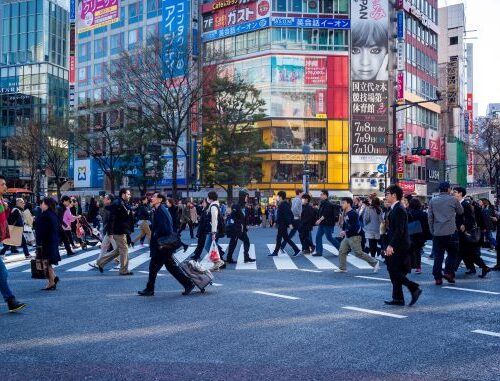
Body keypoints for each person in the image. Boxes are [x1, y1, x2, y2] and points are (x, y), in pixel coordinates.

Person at [138, 193, 195, 297]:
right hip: (163, 245)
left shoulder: (162, 211)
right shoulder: (159, 209)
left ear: (159, 199)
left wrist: (155, 234)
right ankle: (188, 283)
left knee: (153, 267)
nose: (152, 199)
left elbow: (166, 228)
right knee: (171, 267)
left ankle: (149, 289)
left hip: (162, 246)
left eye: (154, 197)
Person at [383, 185, 422, 306]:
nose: (386, 196)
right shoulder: (395, 208)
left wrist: (391, 246)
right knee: (394, 271)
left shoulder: (399, 209)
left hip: (399, 245)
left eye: (387, 194)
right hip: (396, 244)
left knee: (394, 270)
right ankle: (398, 298)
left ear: (394, 195)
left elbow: (399, 230)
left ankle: (413, 287)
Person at [428, 181, 463, 285]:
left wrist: (432, 230)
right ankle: (448, 273)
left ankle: (437, 278)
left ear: (439, 189)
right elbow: (461, 211)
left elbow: (430, 218)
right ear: (448, 189)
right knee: (452, 254)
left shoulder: (432, 201)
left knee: (438, 256)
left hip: (438, 232)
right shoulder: (453, 199)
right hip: (451, 231)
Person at [0, 176, 26, 312]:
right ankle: (10, 300)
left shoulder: (2, 201)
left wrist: (5, 208)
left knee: (2, 273)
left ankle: (10, 300)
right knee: (2, 273)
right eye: (3, 184)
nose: (5, 186)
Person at [453, 187, 490, 278]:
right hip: (461, 232)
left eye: (455, 192)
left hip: (465, 232)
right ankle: (483, 267)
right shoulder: (459, 203)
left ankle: (450, 271)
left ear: (460, 193)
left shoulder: (465, 204)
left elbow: (470, 218)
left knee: (464, 252)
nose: (453, 193)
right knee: (468, 253)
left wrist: (464, 225)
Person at [336, 197, 380, 273]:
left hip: (355, 236)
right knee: (342, 251)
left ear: (348, 204)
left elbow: (355, 226)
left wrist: (345, 232)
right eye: (341, 203)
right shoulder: (345, 212)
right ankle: (342, 268)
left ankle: (375, 262)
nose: (341, 204)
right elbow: (346, 224)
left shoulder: (353, 213)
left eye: (343, 203)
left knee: (358, 253)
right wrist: (343, 230)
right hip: (348, 236)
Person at [96, 188, 134, 276]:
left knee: (118, 250)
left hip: (122, 230)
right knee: (124, 249)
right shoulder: (118, 203)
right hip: (118, 231)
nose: (129, 196)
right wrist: (110, 233)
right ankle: (123, 270)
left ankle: (100, 262)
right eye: (128, 194)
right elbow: (111, 219)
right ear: (123, 194)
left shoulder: (123, 203)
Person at [35, 197, 61, 291]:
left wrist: (38, 243)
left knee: (46, 261)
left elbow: (41, 231)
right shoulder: (53, 214)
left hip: (45, 242)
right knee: (48, 262)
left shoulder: (44, 215)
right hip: (53, 241)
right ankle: (53, 278)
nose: (41, 204)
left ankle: (51, 282)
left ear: (46, 204)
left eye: (42, 203)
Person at [225, 190, 255, 265]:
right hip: (236, 229)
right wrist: (239, 224)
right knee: (233, 243)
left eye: (247, 197)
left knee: (246, 241)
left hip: (241, 230)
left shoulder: (245, 207)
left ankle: (246, 257)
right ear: (242, 197)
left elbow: (245, 218)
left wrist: (246, 226)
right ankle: (229, 258)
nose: (246, 198)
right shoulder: (236, 206)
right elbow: (233, 217)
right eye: (246, 197)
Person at [269, 191, 300, 257]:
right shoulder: (283, 204)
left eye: (278, 196)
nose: (277, 197)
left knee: (282, 238)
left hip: (283, 224)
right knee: (283, 238)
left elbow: (286, 215)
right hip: (282, 223)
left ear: (280, 197)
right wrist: (276, 222)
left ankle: (296, 250)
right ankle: (276, 252)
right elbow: (281, 215)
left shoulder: (283, 205)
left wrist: (289, 223)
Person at [89, 194, 116, 269]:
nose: (104, 199)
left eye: (105, 198)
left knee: (117, 248)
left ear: (109, 200)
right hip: (109, 231)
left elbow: (111, 221)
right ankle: (98, 262)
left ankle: (120, 262)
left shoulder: (111, 208)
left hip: (111, 231)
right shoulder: (107, 207)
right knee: (104, 247)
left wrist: (109, 231)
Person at [407, 198, 430, 274]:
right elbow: (427, 225)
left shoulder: (408, 213)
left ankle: (410, 265)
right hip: (420, 235)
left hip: (411, 234)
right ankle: (418, 267)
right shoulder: (423, 214)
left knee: (410, 250)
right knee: (418, 251)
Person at [313, 190, 339, 257]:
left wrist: (319, 220)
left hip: (328, 224)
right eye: (320, 194)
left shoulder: (328, 204)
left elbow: (325, 214)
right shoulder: (322, 203)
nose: (320, 196)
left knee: (329, 238)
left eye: (321, 194)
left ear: (325, 195)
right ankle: (319, 252)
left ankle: (342, 250)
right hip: (323, 224)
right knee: (318, 237)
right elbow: (320, 212)